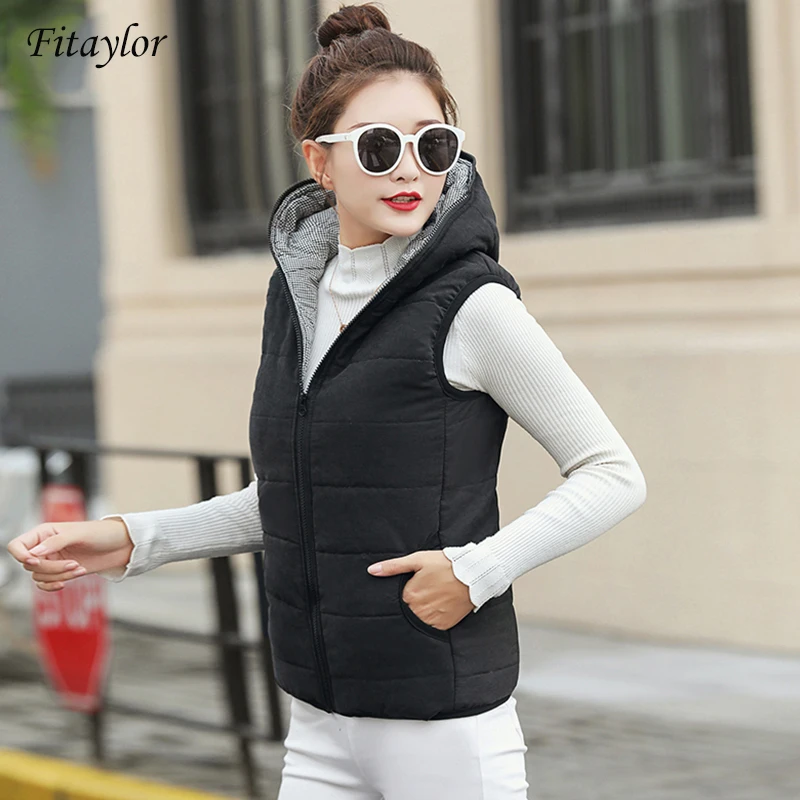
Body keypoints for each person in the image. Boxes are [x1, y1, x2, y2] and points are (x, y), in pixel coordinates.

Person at [7, 3, 647, 797]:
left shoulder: (475, 307)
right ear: (321, 162)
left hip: (443, 729)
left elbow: (612, 473)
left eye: (432, 144)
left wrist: (478, 570)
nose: (409, 170)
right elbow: (298, 498)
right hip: (317, 721)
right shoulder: (298, 301)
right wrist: (130, 540)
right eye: (379, 147)